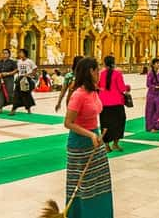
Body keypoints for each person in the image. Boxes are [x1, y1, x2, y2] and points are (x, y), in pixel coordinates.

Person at [64, 57, 113, 217]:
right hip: (79, 144)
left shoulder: (93, 91)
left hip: (95, 140)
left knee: (100, 183)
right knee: (82, 186)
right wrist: (90, 134)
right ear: (91, 71)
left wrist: (95, 134)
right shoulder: (78, 95)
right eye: (97, 70)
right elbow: (68, 123)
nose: (99, 73)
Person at [99, 56, 129, 152]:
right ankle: (115, 143)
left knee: (105, 123)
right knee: (119, 122)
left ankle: (106, 145)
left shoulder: (100, 74)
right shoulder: (117, 74)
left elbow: (97, 86)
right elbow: (122, 88)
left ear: (104, 63)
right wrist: (127, 87)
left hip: (104, 103)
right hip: (117, 102)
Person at [10, 48, 36, 115]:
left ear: (25, 54)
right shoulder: (19, 61)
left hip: (27, 79)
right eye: (19, 53)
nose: (19, 54)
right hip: (20, 78)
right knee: (16, 94)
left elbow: (35, 69)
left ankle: (29, 109)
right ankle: (13, 109)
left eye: (21, 53)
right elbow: (18, 70)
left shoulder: (29, 61)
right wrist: (11, 73)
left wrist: (30, 75)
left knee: (26, 94)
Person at [0, 49, 17, 114]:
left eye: (6, 53)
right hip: (1, 79)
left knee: (10, 93)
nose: (4, 54)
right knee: (0, 93)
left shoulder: (12, 62)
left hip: (9, 79)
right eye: (3, 53)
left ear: (9, 54)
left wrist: (7, 73)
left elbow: (16, 70)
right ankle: (0, 108)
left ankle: (13, 109)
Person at [145, 58, 159, 132]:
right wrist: (157, 87)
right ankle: (151, 127)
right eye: (157, 63)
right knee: (150, 110)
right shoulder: (150, 73)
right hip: (151, 94)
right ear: (153, 64)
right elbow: (148, 84)